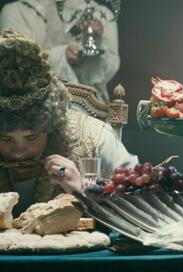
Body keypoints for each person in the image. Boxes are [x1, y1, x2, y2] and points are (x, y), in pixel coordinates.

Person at [0, 30, 136, 215]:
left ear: (50, 124)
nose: (18, 151)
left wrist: (82, 190)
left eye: (31, 137)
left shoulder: (96, 139)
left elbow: (141, 205)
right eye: (5, 139)